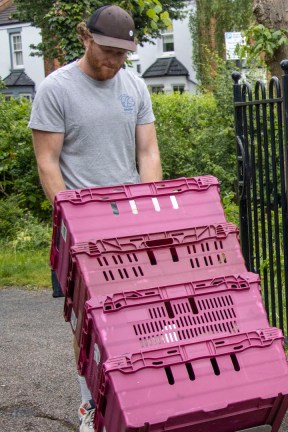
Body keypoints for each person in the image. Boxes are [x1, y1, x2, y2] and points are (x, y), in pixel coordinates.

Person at [27, 5, 162, 432]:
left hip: (129, 226)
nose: (113, 61)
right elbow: (48, 163)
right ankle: (90, 403)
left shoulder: (135, 86)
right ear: (85, 37)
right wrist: (72, 221)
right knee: (89, 322)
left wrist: (150, 211)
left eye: (122, 54)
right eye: (107, 50)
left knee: (140, 315)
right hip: (81, 228)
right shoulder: (56, 88)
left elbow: (148, 153)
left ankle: (138, 399)